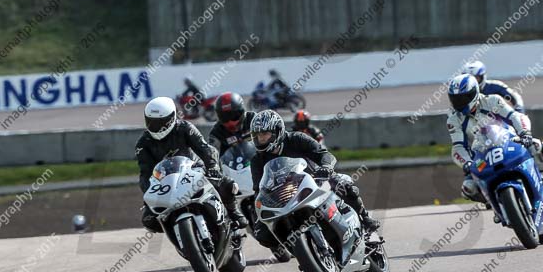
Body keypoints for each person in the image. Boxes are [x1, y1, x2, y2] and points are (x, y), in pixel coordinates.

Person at [249, 110, 380, 253]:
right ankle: (299, 249)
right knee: (263, 234)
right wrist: (258, 215)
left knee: (344, 184)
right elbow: (258, 189)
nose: (261, 139)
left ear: (277, 131)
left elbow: (325, 155)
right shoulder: (257, 160)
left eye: (264, 134)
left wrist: (326, 168)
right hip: (285, 195)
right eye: (258, 136)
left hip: (316, 182)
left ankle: (366, 220)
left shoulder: (297, 139)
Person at [446, 74, 543, 204]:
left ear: (474, 93)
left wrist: (525, 133)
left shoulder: (492, 101)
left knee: (538, 146)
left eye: (463, 98)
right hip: (481, 159)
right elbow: (458, 147)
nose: (460, 103)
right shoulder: (453, 120)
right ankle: (496, 203)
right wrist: (467, 163)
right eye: (455, 99)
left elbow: (515, 116)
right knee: (468, 188)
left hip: (509, 143)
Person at [136, 97, 246, 232]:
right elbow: (145, 172)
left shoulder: (184, 128)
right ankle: (178, 231)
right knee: (149, 220)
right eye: (151, 121)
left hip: (194, 170)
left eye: (161, 122)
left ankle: (234, 211)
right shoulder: (143, 144)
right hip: (167, 182)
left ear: (171, 118)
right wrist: (149, 193)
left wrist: (212, 167)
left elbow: (205, 149)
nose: (157, 126)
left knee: (226, 184)